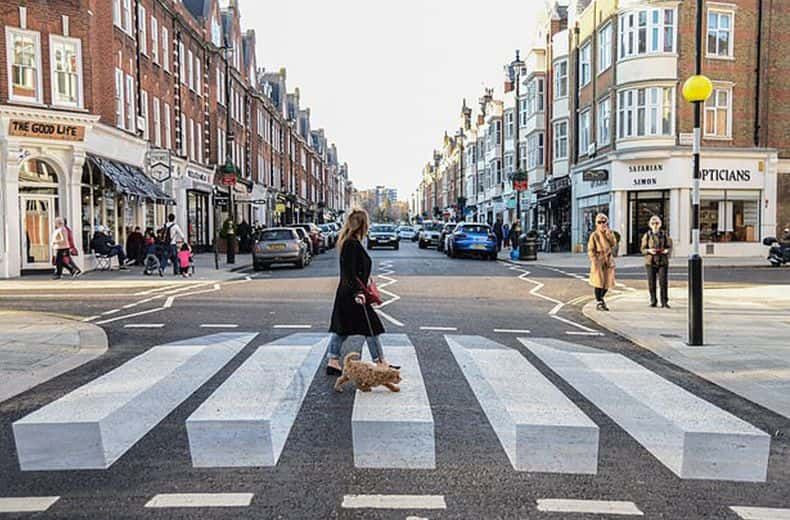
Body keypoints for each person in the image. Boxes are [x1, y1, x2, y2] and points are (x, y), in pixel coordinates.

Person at [326, 209, 389, 376]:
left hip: (348, 293)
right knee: (371, 326)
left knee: (343, 328)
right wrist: (358, 293)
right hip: (353, 294)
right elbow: (349, 272)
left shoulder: (350, 242)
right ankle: (380, 362)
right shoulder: (351, 244)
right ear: (362, 224)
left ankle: (333, 361)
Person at [641, 215, 673, 308]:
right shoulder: (647, 235)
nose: (655, 225)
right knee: (652, 283)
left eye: (657, 223)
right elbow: (643, 249)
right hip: (650, 262)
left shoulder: (664, 234)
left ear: (660, 224)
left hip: (662, 261)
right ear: (650, 225)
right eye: (653, 223)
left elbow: (669, 246)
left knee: (663, 282)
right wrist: (649, 251)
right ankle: (653, 301)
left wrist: (666, 251)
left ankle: (664, 302)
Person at [587, 213, 617, 311]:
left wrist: (608, 234)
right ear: (596, 223)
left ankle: (601, 299)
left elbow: (613, 244)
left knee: (607, 282)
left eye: (603, 222)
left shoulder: (609, 232)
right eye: (599, 222)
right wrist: (594, 259)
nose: (602, 224)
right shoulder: (594, 235)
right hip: (598, 260)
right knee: (598, 282)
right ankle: (599, 301)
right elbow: (591, 249)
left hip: (608, 260)